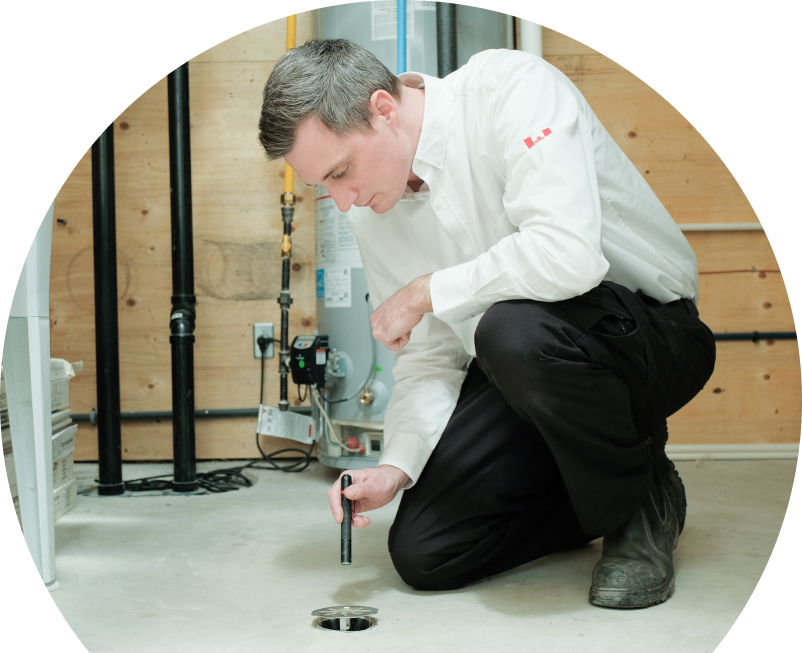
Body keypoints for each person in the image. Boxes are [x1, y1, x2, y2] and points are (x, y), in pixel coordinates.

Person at [258, 39, 716, 608]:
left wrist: (428, 291)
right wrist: (395, 468)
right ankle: (595, 479)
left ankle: (641, 500)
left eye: (342, 171)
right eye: (323, 186)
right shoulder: (373, 205)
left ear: (383, 108)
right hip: (528, 369)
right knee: (428, 552)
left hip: (647, 335)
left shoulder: (511, 90)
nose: (343, 200)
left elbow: (567, 256)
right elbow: (428, 351)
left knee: (510, 331)